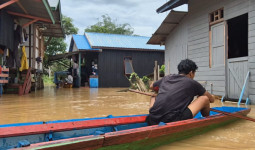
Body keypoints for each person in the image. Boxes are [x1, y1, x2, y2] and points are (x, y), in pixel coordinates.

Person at [146, 59, 215, 126]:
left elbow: (152, 86)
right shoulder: (192, 83)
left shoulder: (167, 78)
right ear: (191, 73)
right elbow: (211, 100)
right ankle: (207, 121)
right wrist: (213, 97)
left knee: (153, 96)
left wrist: (161, 92)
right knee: (204, 99)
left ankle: (153, 114)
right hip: (172, 120)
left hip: (152, 119)